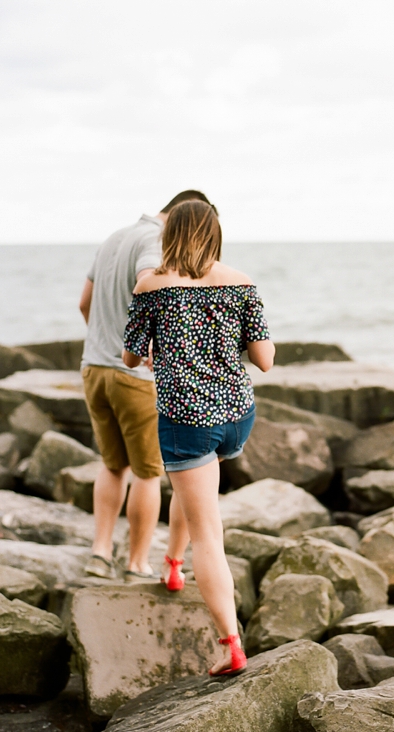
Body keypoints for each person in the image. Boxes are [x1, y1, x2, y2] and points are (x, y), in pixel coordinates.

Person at [122, 199, 274, 677]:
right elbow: (265, 359)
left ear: (170, 233)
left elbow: (129, 357)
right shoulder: (242, 283)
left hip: (187, 421)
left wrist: (153, 352)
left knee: (209, 536)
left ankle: (231, 644)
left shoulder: (151, 285)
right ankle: (170, 563)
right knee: (198, 491)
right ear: (215, 233)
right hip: (236, 416)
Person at [78, 190, 214, 582]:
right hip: (134, 377)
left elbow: (85, 303)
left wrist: (107, 342)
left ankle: (100, 553)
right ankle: (136, 562)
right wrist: (150, 351)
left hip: (94, 371)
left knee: (112, 465)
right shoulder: (155, 241)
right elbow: (148, 286)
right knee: (148, 472)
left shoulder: (114, 238)